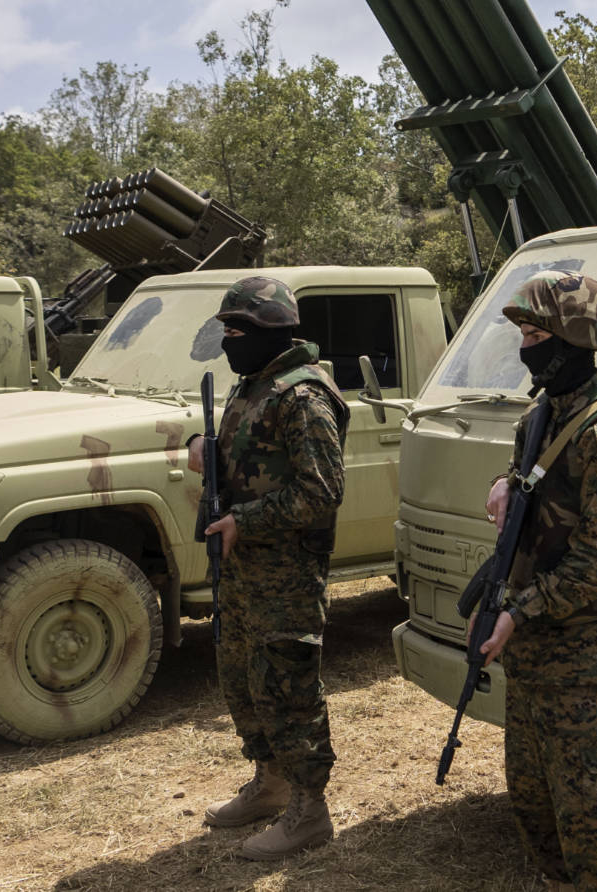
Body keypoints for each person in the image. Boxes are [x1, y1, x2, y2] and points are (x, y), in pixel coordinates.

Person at [477, 270, 597, 892]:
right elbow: (540, 497)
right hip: (536, 660)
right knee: (537, 813)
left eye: (536, 333)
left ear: (574, 338)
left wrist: (519, 611)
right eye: (523, 333)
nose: (525, 346)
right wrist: (510, 486)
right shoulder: (543, 417)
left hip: (589, 663)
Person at [187, 276, 348, 861]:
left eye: (237, 330)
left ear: (271, 332)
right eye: (225, 330)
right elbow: (251, 455)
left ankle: (309, 809)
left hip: (285, 573)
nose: (229, 341)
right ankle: (271, 782)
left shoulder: (301, 396)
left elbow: (323, 489)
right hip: (245, 573)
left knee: (288, 686)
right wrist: (201, 446)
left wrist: (244, 522)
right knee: (243, 679)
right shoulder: (252, 387)